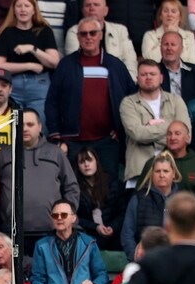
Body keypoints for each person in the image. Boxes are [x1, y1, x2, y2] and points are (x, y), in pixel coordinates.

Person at [46, 16, 136, 176]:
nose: (88, 37)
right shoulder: (66, 65)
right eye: (84, 34)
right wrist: (56, 135)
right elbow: (52, 101)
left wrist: (120, 127)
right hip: (71, 141)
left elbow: (131, 99)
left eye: (93, 33)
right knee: (73, 186)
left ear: (100, 35)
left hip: (107, 141)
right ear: (78, 37)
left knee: (109, 184)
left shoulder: (115, 65)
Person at [0, 108, 80, 249]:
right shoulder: (2, 155)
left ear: (40, 127)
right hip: (11, 233)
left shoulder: (56, 153)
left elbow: (71, 187)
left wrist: (65, 217)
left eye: (30, 124)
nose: (25, 129)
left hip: (51, 231)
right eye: (21, 124)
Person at [119, 59, 191, 186]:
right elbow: (137, 134)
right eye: (144, 74)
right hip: (140, 172)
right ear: (137, 79)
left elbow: (186, 136)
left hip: (174, 170)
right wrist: (170, 127)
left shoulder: (176, 100)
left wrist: (149, 129)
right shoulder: (128, 103)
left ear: (161, 78)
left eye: (152, 74)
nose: (148, 77)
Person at [0, 0, 59, 123]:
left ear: (34, 10)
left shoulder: (44, 31)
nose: (23, 9)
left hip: (39, 84)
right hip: (13, 86)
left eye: (27, 6)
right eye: (19, 6)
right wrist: (29, 65)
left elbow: (54, 62)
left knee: (39, 125)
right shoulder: (6, 33)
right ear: (14, 10)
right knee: (13, 127)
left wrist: (32, 49)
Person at [123, 152, 180, 260]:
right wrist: (135, 258)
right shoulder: (139, 198)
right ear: (152, 174)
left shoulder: (182, 201)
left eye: (166, 171)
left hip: (175, 262)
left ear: (173, 174)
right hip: (146, 261)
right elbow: (127, 234)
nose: (161, 175)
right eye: (157, 171)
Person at [65, 0, 138, 81]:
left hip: (118, 82)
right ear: (83, 11)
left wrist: (127, 84)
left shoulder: (120, 30)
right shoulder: (74, 31)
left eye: (96, 5)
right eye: (88, 5)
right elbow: (74, 65)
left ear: (106, 11)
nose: (92, 8)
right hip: (85, 82)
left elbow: (130, 62)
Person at [138, 121, 195, 195]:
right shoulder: (153, 163)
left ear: (187, 138)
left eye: (177, 134)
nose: (172, 137)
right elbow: (138, 196)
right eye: (169, 134)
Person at [141, 0, 195, 65]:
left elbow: (194, 63)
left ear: (180, 16)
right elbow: (149, 61)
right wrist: (167, 35)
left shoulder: (189, 36)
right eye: (165, 11)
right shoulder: (149, 35)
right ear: (160, 15)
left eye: (173, 11)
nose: (169, 14)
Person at [158, 30, 195, 104]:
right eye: (166, 44)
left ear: (181, 48)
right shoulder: (153, 72)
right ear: (160, 48)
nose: (169, 48)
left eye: (173, 44)